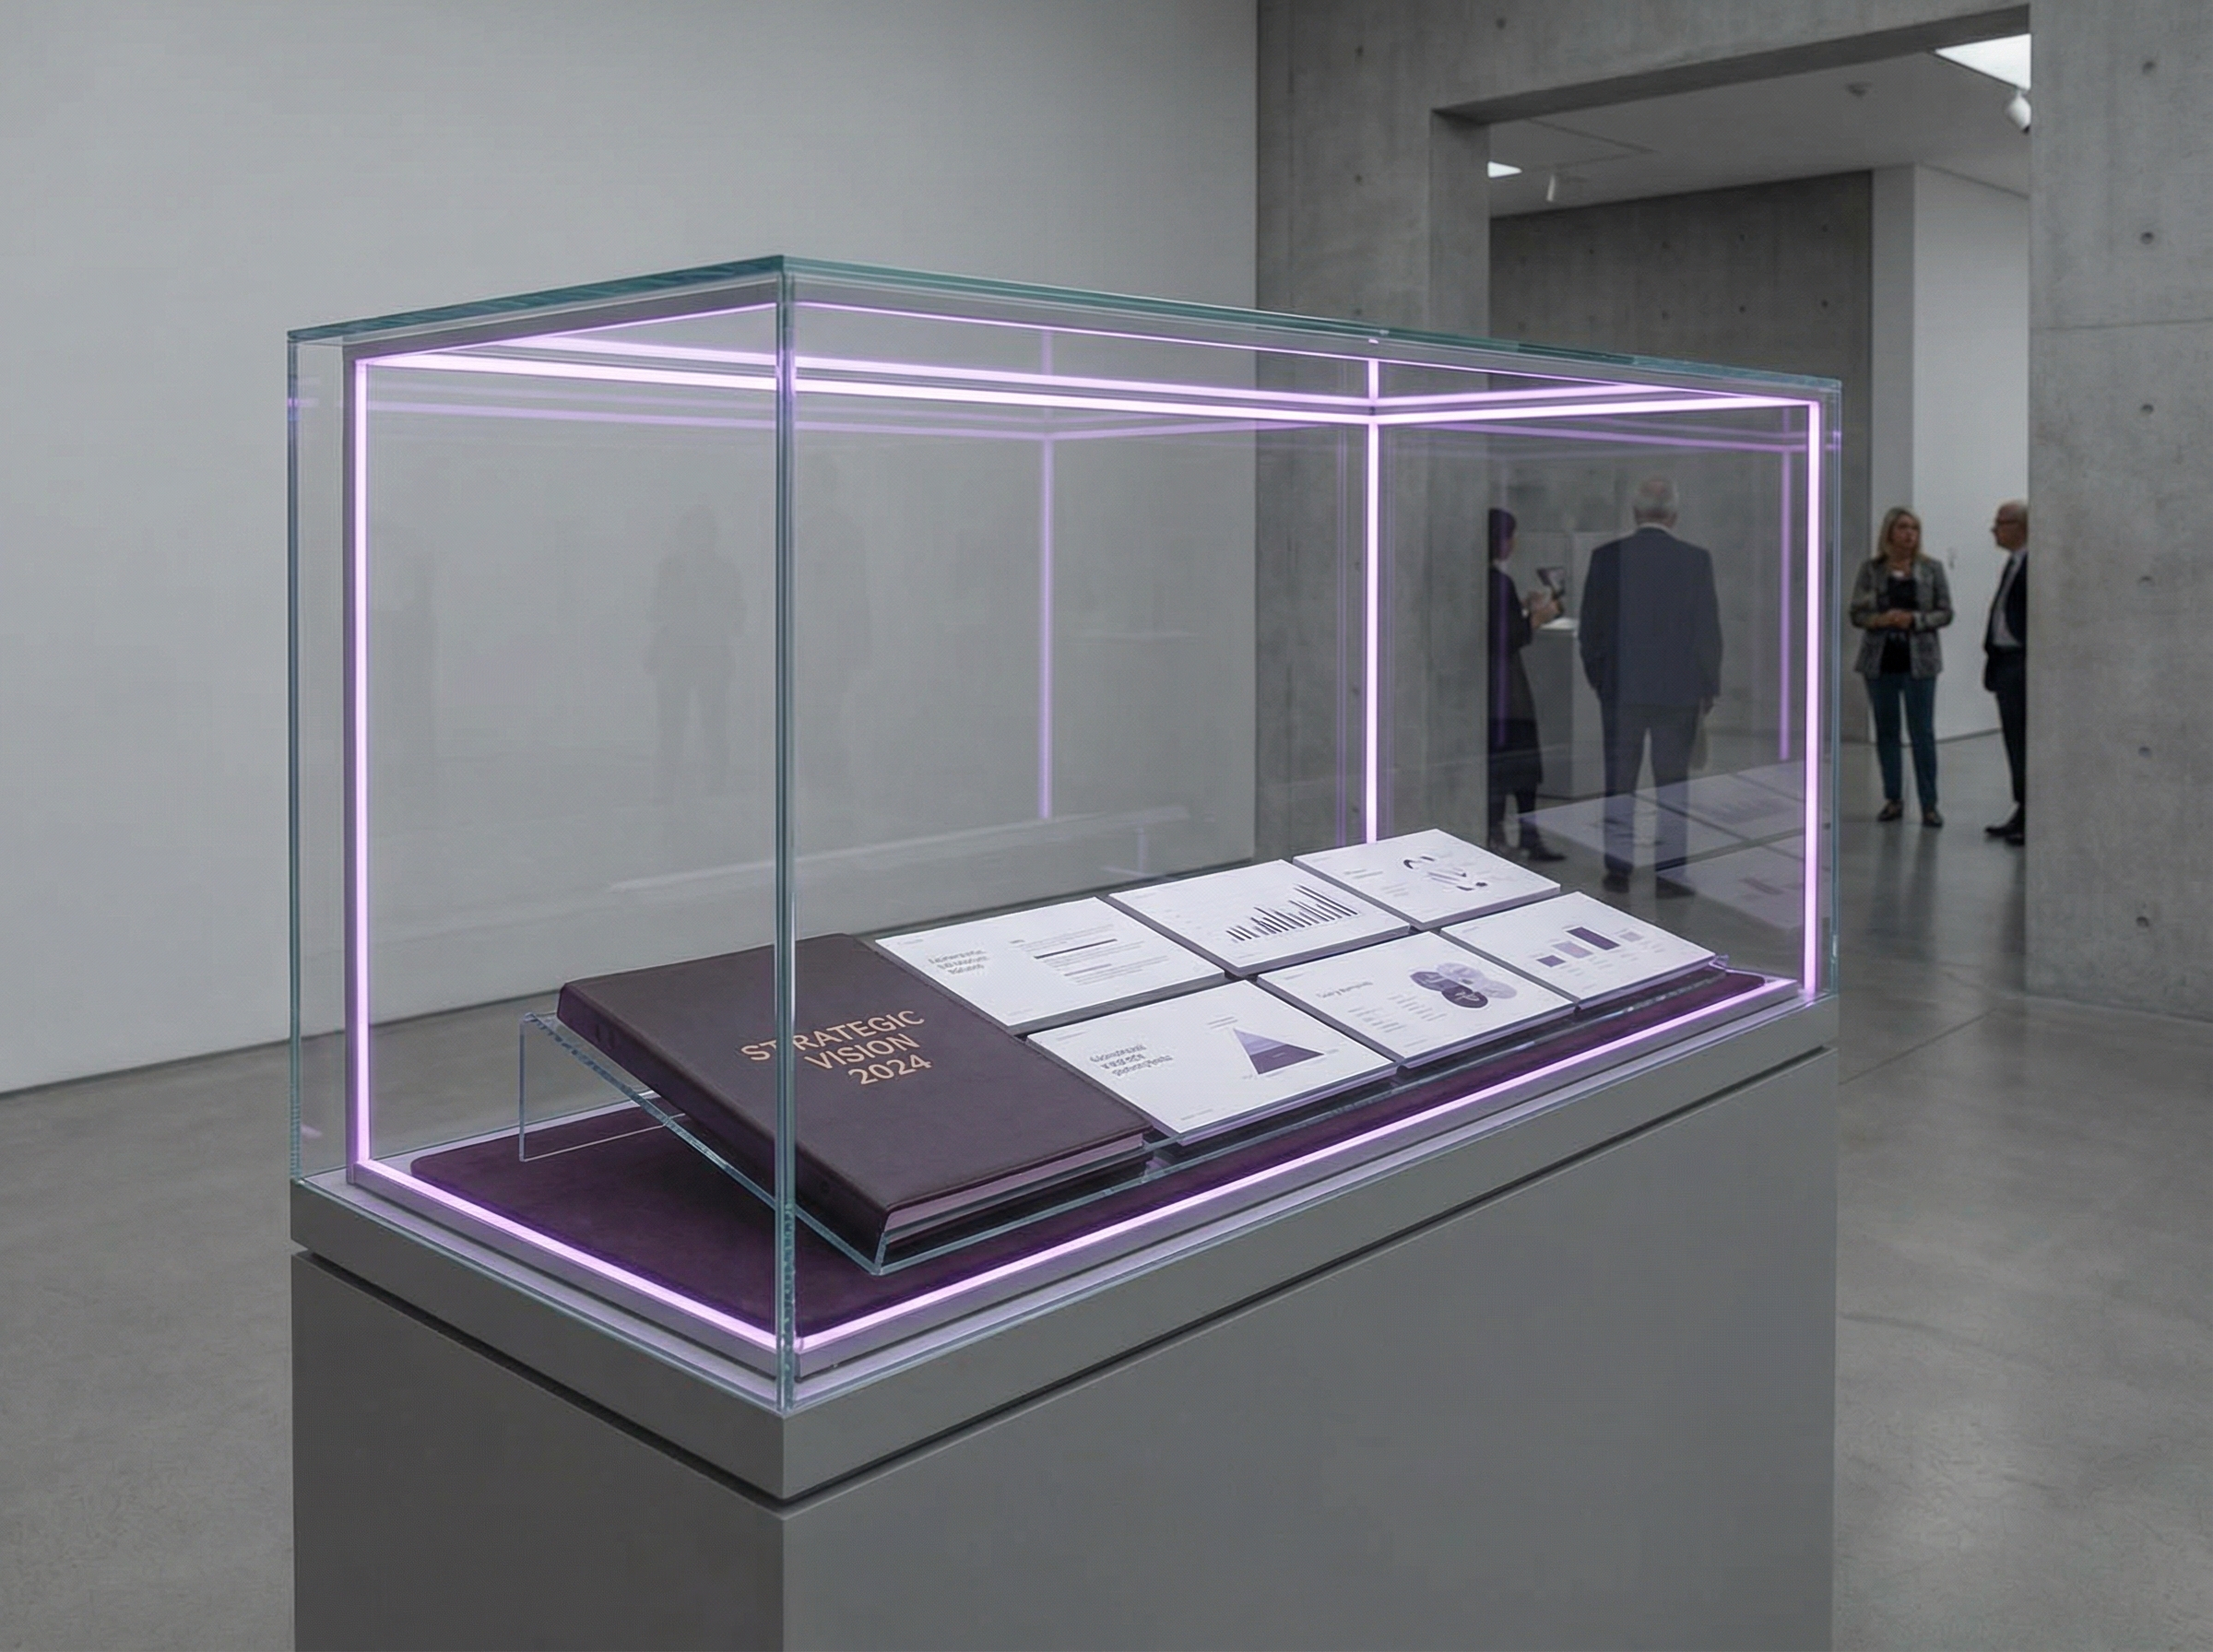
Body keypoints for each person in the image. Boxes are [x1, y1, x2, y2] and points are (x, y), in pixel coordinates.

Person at [1579, 477, 1722, 896]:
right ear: (1673, 515)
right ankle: (1670, 873)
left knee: (1619, 782)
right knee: (1672, 785)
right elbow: (1706, 631)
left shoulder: (1607, 558)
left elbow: (1591, 630)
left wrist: (1600, 680)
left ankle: (1617, 869)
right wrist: (1707, 686)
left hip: (1622, 691)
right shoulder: (1695, 560)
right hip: (1676, 694)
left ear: (1636, 513)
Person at [1849, 506, 1953, 827]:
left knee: (1922, 732)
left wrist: (1915, 620)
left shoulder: (1931, 568)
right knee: (1887, 732)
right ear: (1890, 532)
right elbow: (1857, 614)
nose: (1909, 534)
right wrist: (1881, 619)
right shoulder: (1871, 570)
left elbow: (1945, 611)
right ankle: (1893, 797)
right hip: (1881, 660)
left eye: (1914, 529)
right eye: (1903, 527)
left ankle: (1929, 803)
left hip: (1919, 660)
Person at [1484, 508, 1566, 862]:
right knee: (1520, 767)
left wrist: (1520, 609)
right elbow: (1505, 637)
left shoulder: (1489, 582)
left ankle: (1513, 833)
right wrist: (1537, 618)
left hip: (1497, 692)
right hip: (1506, 693)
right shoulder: (1497, 582)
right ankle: (1522, 835)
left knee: (1511, 767)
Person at [1982, 499, 2029, 844]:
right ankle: (2023, 808)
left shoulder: (2032, 564)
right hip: (2005, 662)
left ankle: (2031, 812)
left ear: (2020, 526)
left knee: (2026, 742)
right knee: (2014, 740)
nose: (1994, 530)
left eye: (2000, 523)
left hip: (2022, 663)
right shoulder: (2013, 563)